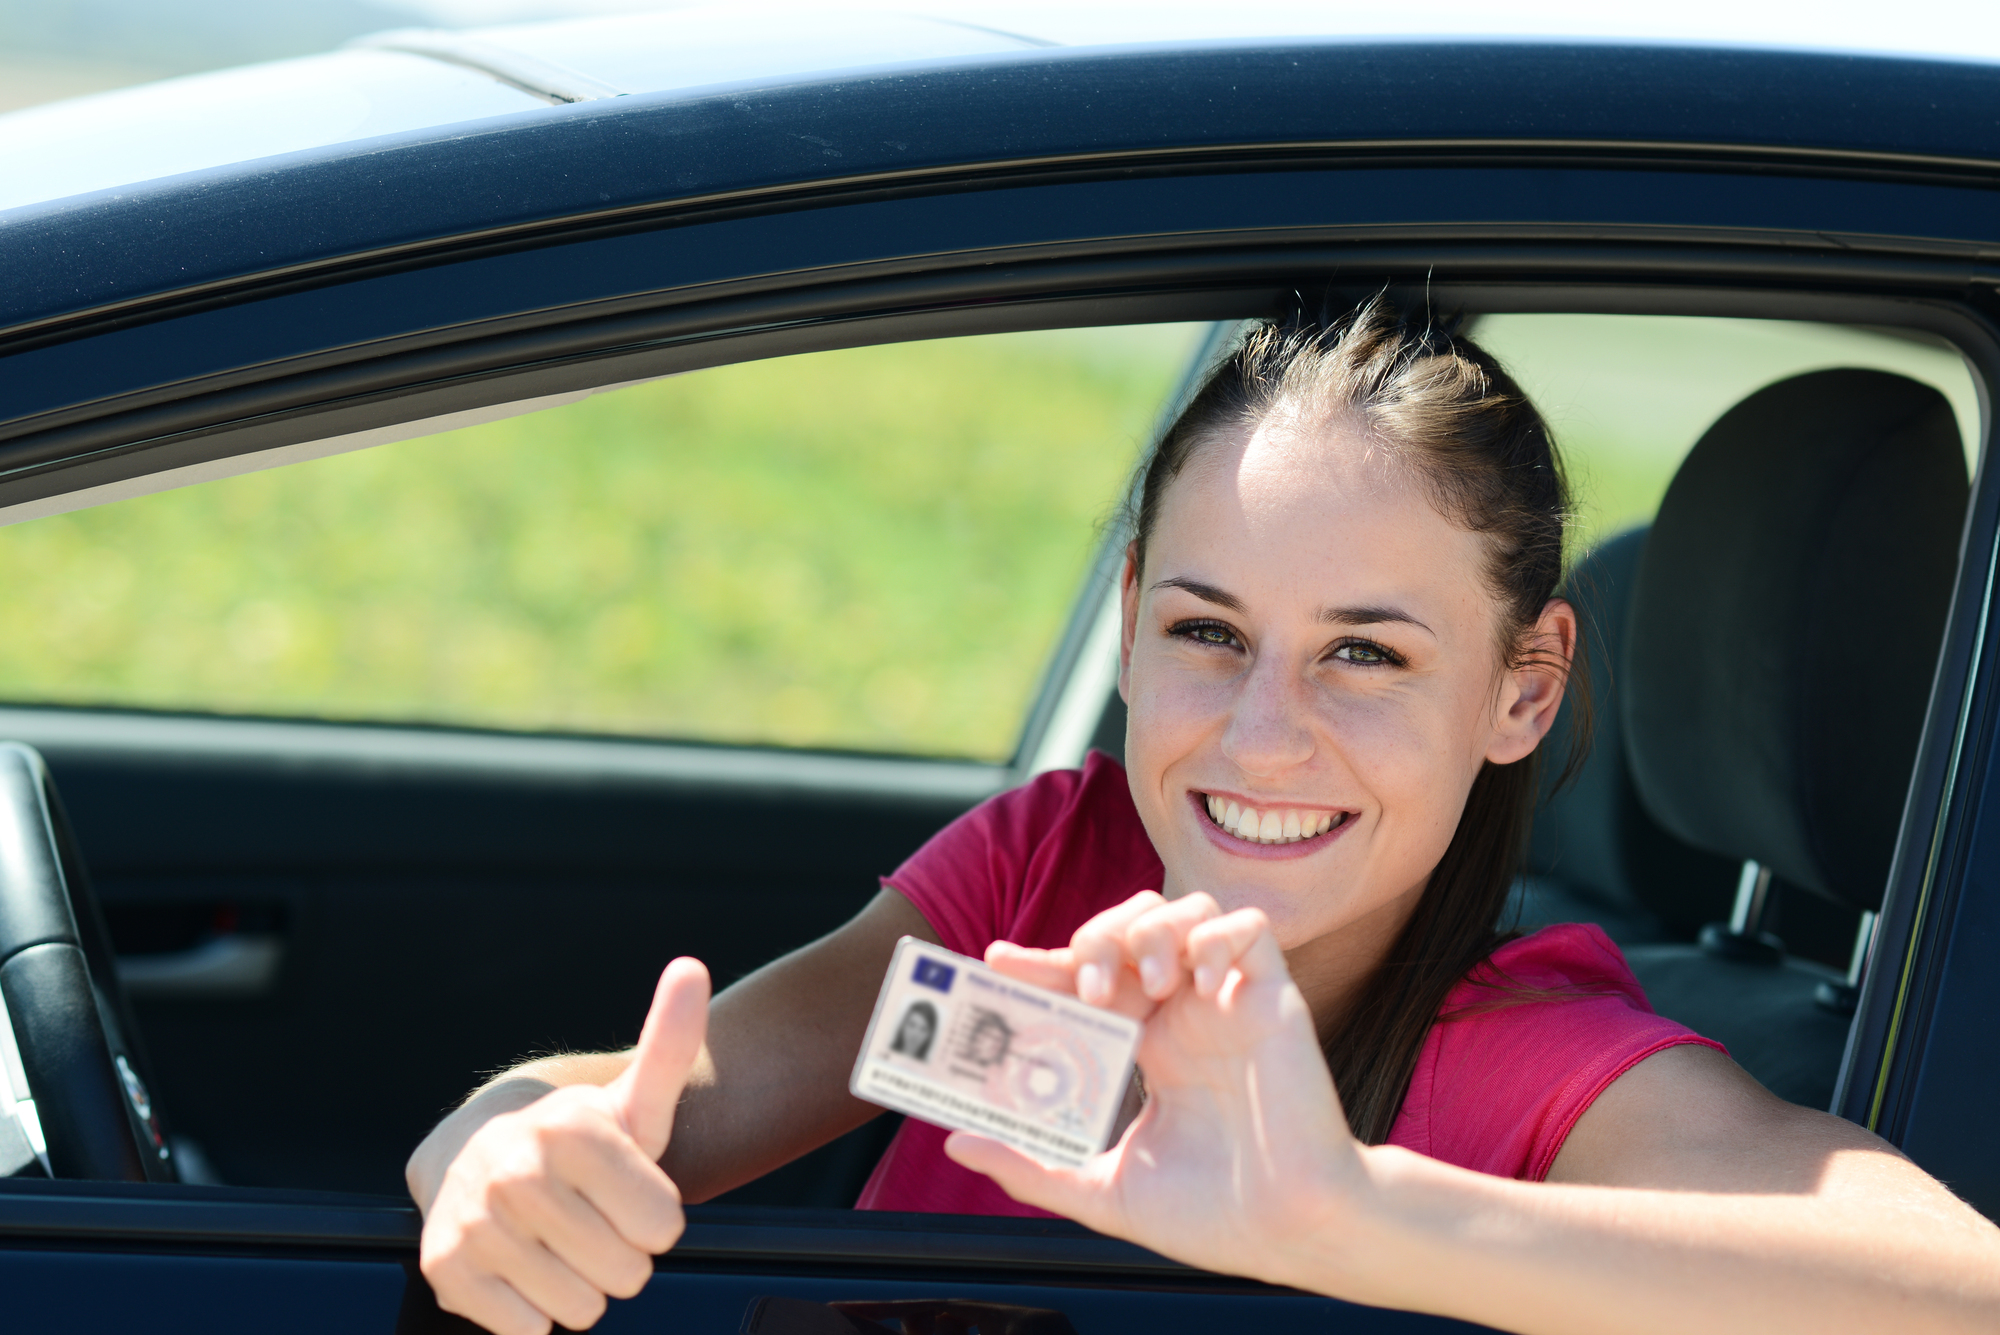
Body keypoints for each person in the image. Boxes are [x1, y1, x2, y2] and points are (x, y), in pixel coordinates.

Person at [406, 298, 2000, 1335]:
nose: (1260, 737)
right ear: (1128, 617)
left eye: (1364, 654)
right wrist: (499, 1146)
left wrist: (1344, 1214)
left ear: (1524, 687)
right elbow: (662, 1107)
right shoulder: (1048, 873)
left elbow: (1953, 1295)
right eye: (1207, 631)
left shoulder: (1528, 1063)